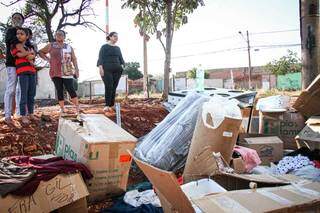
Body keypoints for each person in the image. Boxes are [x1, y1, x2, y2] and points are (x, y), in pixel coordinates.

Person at [39, 30, 80, 114]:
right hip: (55, 71)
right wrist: (48, 59)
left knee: (71, 89)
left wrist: (76, 70)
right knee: (59, 89)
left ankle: (77, 108)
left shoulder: (69, 47)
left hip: (67, 71)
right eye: (57, 34)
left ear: (64, 37)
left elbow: (74, 59)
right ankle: (62, 108)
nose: (58, 36)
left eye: (61, 34)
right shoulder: (51, 45)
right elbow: (40, 52)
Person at [11, 27, 36, 124]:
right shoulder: (14, 46)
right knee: (23, 94)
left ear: (27, 36)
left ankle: (31, 113)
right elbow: (19, 55)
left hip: (32, 72)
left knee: (31, 94)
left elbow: (32, 58)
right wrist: (28, 54)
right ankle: (23, 115)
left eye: (21, 34)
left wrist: (28, 54)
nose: (18, 35)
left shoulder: (30, 47)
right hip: (22, 72)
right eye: (17, 34)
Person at [3, 12, 24, 124]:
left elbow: (29, 44)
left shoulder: (23, 31)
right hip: (11, 63)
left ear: (22, 20)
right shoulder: (10, 31)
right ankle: (7, 115)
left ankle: (18, 113)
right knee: (11, 89)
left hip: (22, 64)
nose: (16, 19)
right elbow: (11, 41)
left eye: (19, 18)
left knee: (20, 89)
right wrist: (22, 41)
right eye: (14, 18)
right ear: (12, 20)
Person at [97, 32, 125, 112]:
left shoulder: (117, 48)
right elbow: (100, 58)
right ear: (110, 37)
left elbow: (121, 58)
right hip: (106, 69)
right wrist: (100, 68)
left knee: (114, 87)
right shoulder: (104, 47)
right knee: (109, 86)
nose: (116, 38)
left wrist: (122, 66)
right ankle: (107, 105)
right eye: (114, 36)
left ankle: (112, 105)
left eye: (117, 37)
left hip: (117, 70)